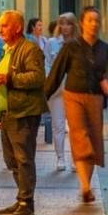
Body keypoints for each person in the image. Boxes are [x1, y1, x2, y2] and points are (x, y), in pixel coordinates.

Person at [46, 8, 108, 206]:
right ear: (82, 23)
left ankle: (85, 185)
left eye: (97, 20)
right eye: (90, 20)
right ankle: (86, 186)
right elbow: (56, 73)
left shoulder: (106, 49)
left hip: (96, 98)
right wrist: (42, 98)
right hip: (74, 96)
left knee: (94, 140)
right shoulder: (71, 47)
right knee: (80, 136)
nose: (94, 24)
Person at [0, 9, 49, 215]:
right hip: (8, 113)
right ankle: (21, 199)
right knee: (11, 160)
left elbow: (37, 78)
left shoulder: (30, 49)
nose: (0, 29)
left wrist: (11, 79)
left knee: (24, 159)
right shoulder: (7, 49)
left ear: (17, 27)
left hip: (24, 112)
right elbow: (0, 81)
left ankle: (27, 202)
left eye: (4, 25)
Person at [35, 15, 71, 175]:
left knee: (76, 127)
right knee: (58, 125)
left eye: (68, 24)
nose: (64, 27)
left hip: (74, 90)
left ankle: (76, 158)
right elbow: (46, 64)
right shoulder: (51, 43)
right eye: (61, 23)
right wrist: (50, 83)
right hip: (57, 90)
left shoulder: (78, 43)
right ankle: (60, 157)